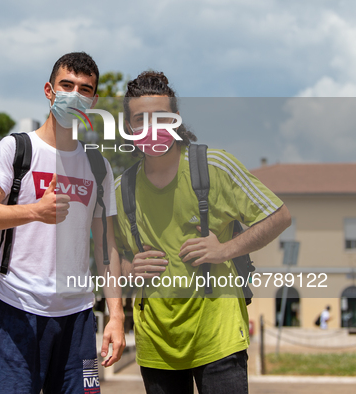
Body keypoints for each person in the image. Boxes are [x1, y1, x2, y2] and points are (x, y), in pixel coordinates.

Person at [113, 71, 291, 394]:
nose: (152, 128)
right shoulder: (120, 191)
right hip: (157, 346)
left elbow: (279, 216)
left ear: (176, 119)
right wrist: (129, 269)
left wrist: (224, 250)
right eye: (141, 120)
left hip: (218, 340)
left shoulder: (214, 167)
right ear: (129, 128)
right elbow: (112, 259)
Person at [0, 52, 125, 393]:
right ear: (49, 91)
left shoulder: (98, 166)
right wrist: (34, 211)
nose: (74, 95)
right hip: (15, 309)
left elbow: (107, 247)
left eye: (84, 89)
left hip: (78, 319)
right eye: (66, 85)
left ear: (93, 100)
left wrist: (116, 314)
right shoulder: (16, 149)